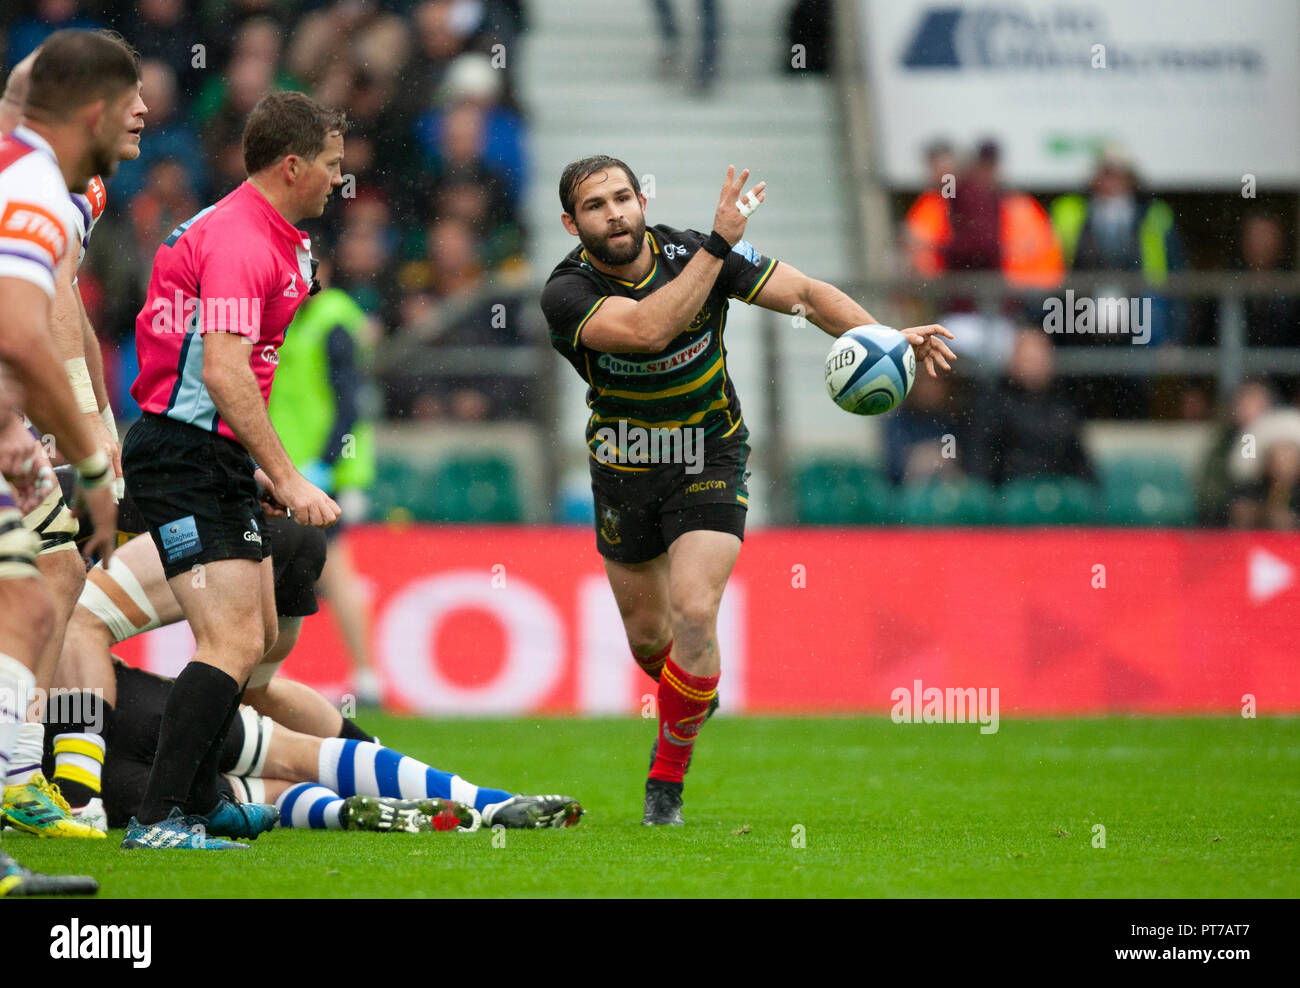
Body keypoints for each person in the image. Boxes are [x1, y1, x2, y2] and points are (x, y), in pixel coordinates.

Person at [540, 156, 954, 824]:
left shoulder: (694, 252)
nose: (614, 212)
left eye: (623, 197)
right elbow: (649, 330)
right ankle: (693, 691)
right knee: (652, 638)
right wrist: (720, 246)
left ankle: (665, 785)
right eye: (596, 205)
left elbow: (809, 297)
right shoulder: (566, 291)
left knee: (695, 611)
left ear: (642, 200)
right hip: (625, 464)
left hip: (710, 449)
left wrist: (879, 338)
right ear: (571, 221)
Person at [120, 90, 344, 850]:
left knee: (245, 641)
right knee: (226, 640)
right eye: (332, 166)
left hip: (208, 454)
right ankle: (155, 819)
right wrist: (287, 476)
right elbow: (223, 371)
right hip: (181, 453)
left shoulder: (266, 234)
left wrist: (247, 466)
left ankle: (205, 800)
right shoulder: (244, 241)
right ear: (292, 165)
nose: (338, 180)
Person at [0, 28, 139, 895]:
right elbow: (23, 324)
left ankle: (17, 785)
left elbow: (54, 314)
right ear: (92, 110)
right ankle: (20, 783)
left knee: (34, 599)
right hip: (38, 432)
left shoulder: (41, 181)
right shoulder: (37, 185)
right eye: (129, 101)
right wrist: (88, 454)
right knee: (35, 598)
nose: (144, 114)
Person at [268, 268, 382, 705]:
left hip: (320, 475)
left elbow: (350, 401)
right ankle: (362, 677)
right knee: (312, 571)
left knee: (333, 571)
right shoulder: (292, 321)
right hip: (288, 474)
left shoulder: (333, 321)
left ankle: (367, 678)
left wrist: (327, 464)